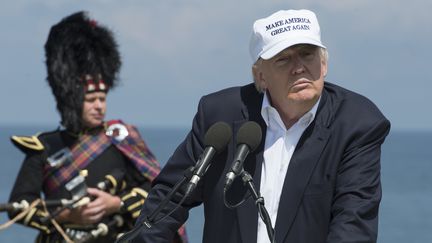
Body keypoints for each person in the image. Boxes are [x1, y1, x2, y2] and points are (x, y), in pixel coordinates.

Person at [132, 9, 391, 243]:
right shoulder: (219, 114)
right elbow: (169, 200)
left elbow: (354, 225)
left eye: (307, 54)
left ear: (323, 64)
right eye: (283, 59)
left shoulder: (357, 123)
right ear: (260, 75)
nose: (299, 67)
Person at [8, 11, 187, 243]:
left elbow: (156, 193)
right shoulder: (44, 147)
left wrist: (116, 203)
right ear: (71, 99)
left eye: (102, 98)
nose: (99, 106)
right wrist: (66, 215)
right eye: (91, 99)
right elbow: (18, 207)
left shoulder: (120, 139)